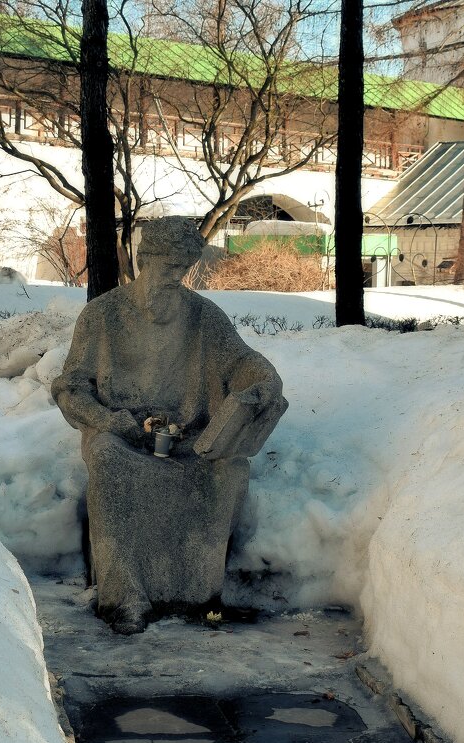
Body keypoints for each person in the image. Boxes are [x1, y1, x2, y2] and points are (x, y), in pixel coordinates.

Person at [51, 217, 287, 634]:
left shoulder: (204, 317)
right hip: (120, 436)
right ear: (144, 260)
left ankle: (199, 596)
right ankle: (123, 599)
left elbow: (240, 361)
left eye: (184, 268)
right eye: (168, 266)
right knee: (107, 459)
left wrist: (264, 381)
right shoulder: (102, 316)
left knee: (226, 469)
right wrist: (107, 420)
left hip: (189, 438)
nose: (176, 277)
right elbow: (71, 388)